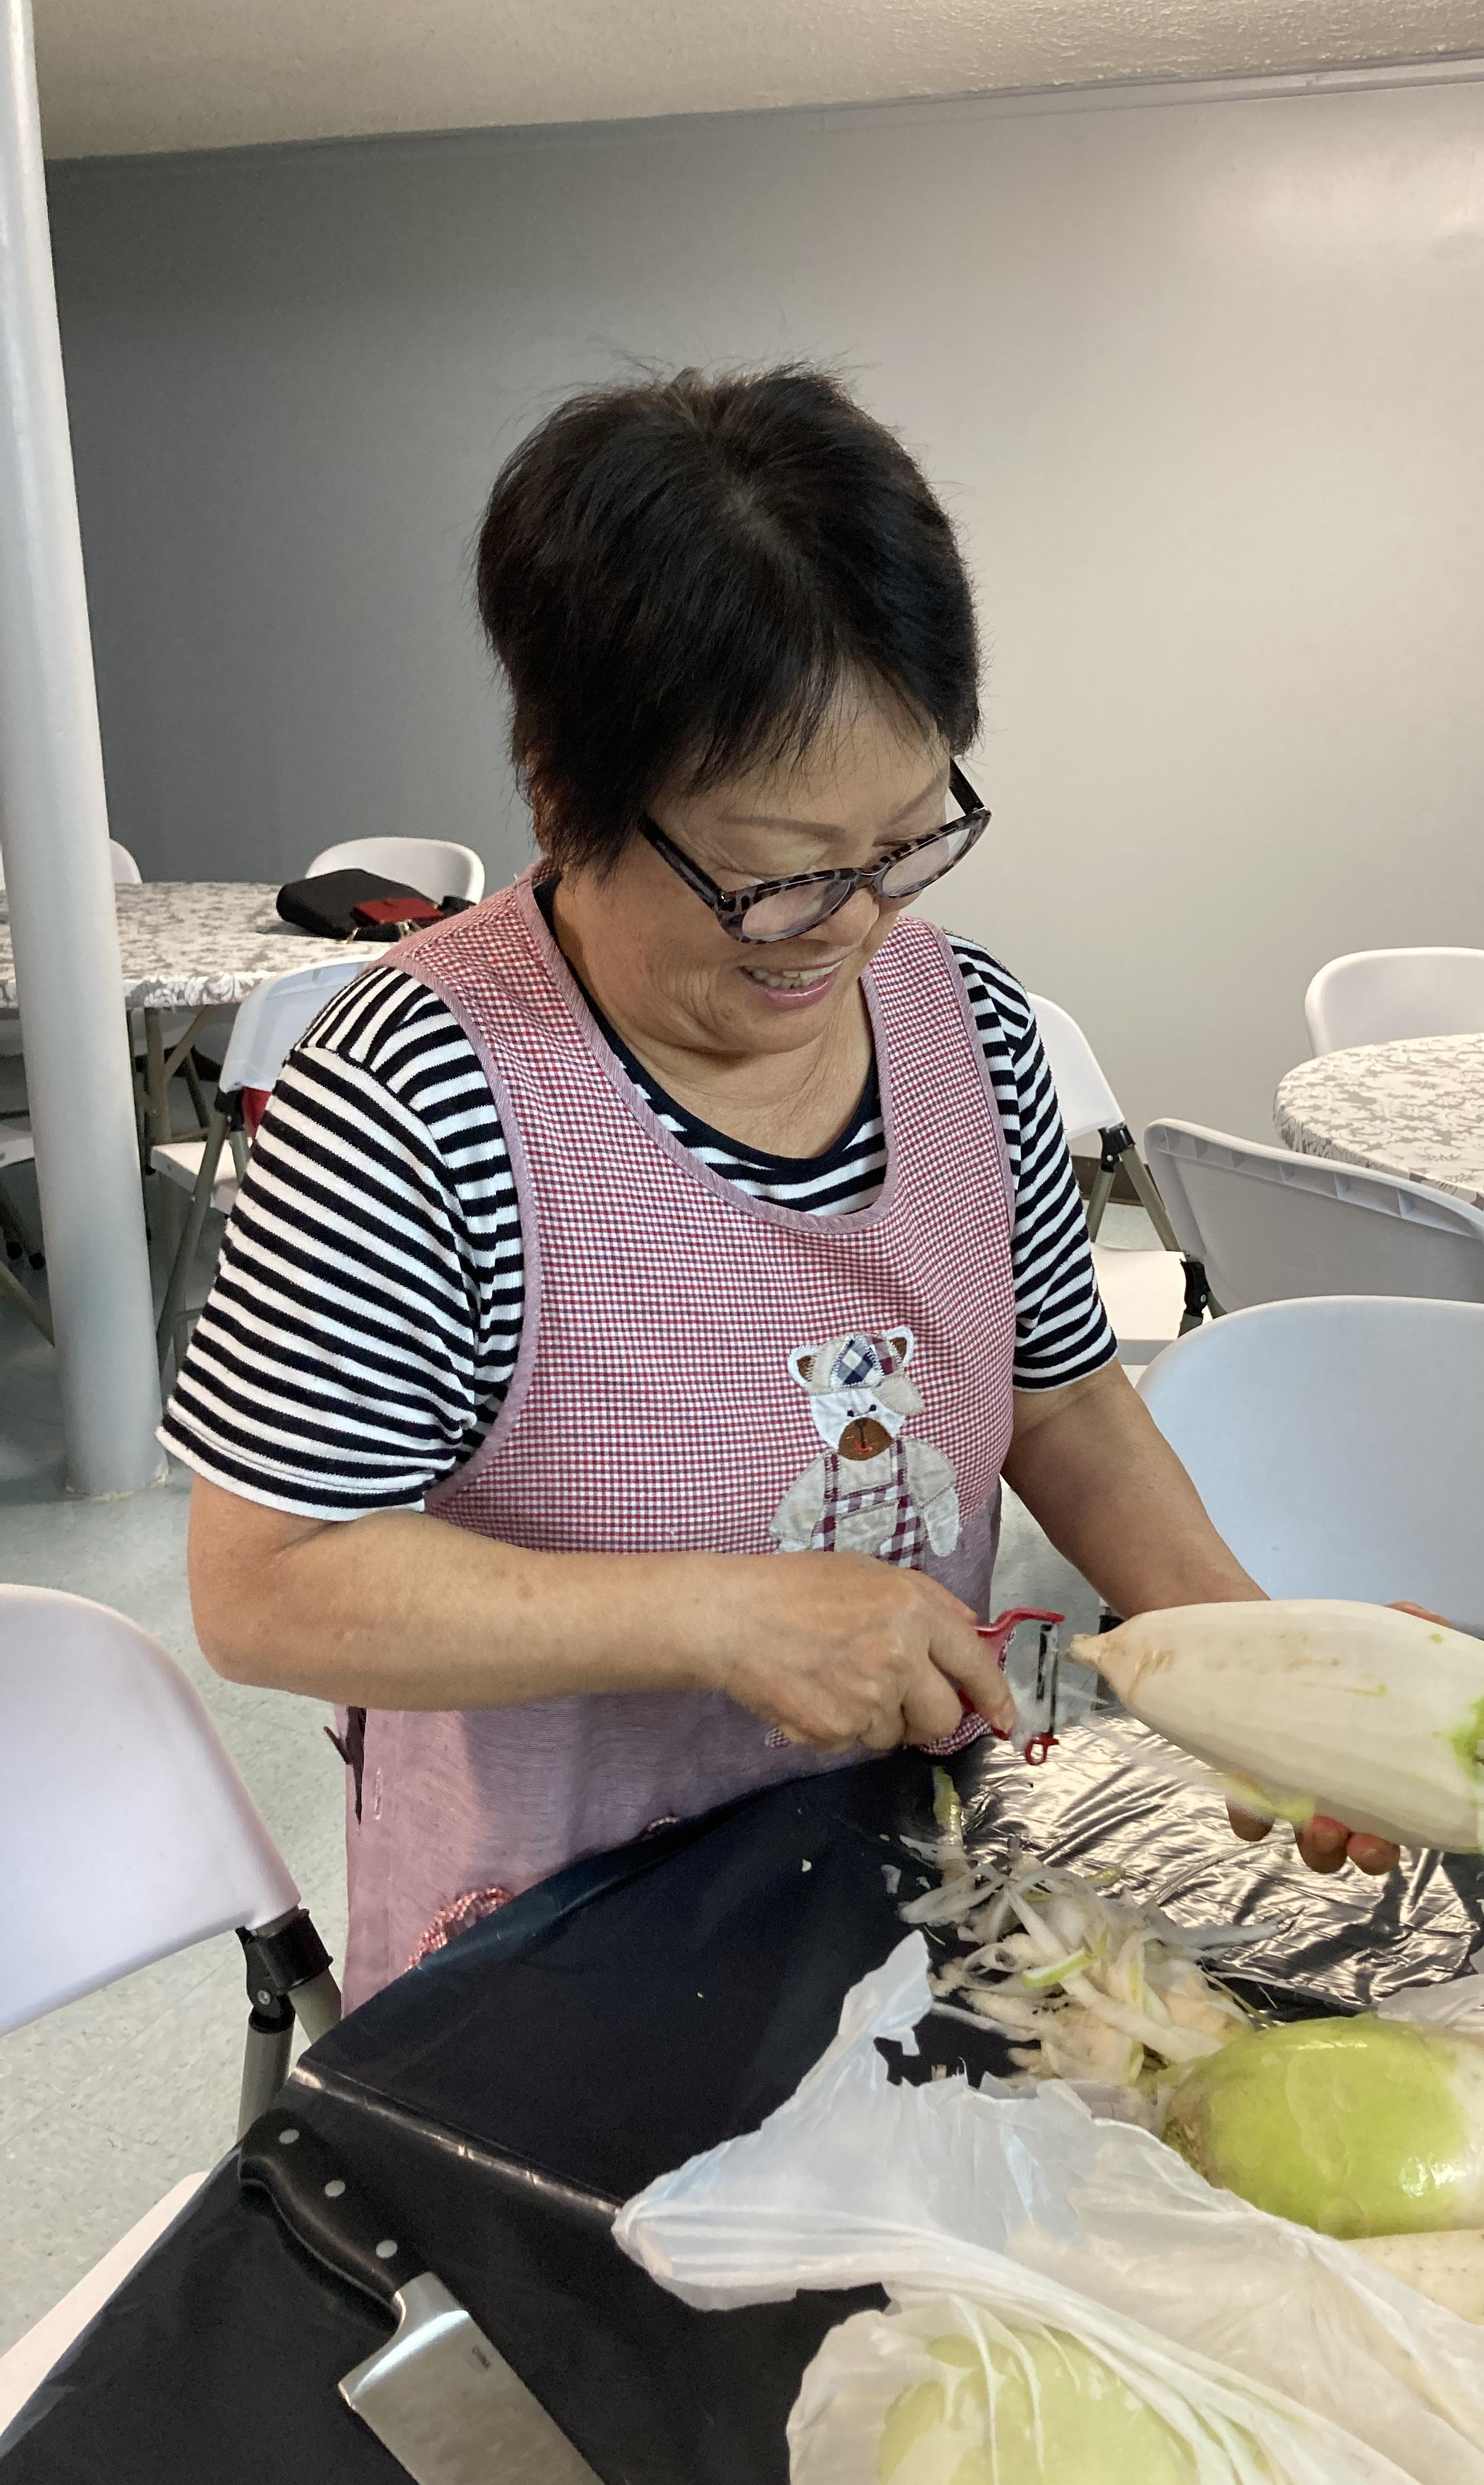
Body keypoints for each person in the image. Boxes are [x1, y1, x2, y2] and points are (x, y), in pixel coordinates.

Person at [168, 367, 1396, 2012]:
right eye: (774, 875)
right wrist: (718, 1620)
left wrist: (1260, 1662)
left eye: (905, 846)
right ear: (560, 787)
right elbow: (268, 1587)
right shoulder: (419, 1089)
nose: (849, 925)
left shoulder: (972, 1026)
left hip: (906, 1879)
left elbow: (1063, 1402)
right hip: (554, 1943)